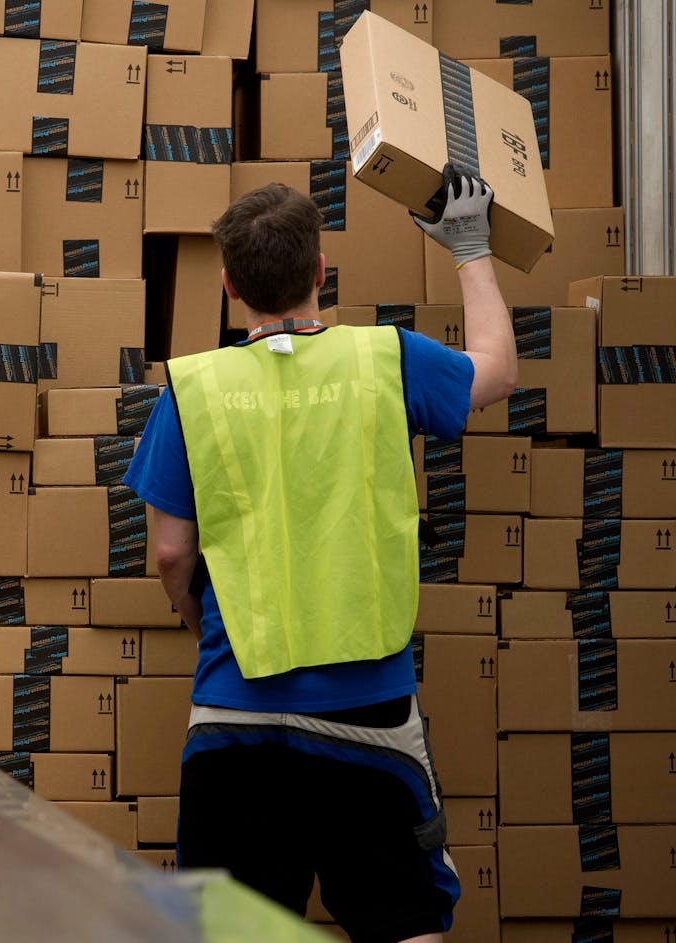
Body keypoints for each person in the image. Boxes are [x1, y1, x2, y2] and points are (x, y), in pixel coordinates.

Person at [124, 168, 516, 943]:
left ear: (230, 286)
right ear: (319, 272)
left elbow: (171, 552)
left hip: (236, 706)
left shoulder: (192, 388)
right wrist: (470, 248)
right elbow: (498, 369)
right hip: (366, 707)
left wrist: (202, 619)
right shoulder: (385, 360)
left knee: (230, 929)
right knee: (404, 919)